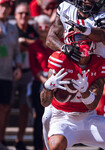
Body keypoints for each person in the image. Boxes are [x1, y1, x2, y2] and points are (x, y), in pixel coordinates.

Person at [40, 31, 105, 150]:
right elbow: (45, 102)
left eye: (86, 37)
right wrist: (47, 87)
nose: (83, 41)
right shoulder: (60, 60)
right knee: (56, 145)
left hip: (88, 117)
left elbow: (92, 105)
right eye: (79, 37)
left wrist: (85, 92)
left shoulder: (100, 64)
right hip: (63, 118)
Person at [43, 1, 105, 149]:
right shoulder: (66, 8)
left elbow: (103, 36)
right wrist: (63, 47)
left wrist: (87, 30)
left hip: (93, 70)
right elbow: (50, 38)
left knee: (91, 109)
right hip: (69, 64)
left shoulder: (103, 17)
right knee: (47, 115)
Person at [11, 2, 38, 150]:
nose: (23, 16)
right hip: (11, 71)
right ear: (15, 15)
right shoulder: (11, 28)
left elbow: (38, 43)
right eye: (20, 13)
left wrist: (25, 42)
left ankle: (19, 140)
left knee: (25, 108)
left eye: (26, 13)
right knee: (5, 107)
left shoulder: (32, 29)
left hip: (28, 74)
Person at [29, 14, 53, 150]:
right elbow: (34, 67)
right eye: (40, 27)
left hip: (54, 83)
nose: (43, 29)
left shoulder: (55, 45)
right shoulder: (33, 47)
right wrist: (45, 80)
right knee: (39, 117)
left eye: (46, 26)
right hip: (39, 83)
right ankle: (38, 146)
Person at [0, 0, 22, 149]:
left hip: (7, 74)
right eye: (1, 5)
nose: (4, 9)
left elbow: (17, 52)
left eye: (7, 6)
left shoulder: (13, 27)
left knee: (6, 108)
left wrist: (18, 67)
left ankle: (1, 140)